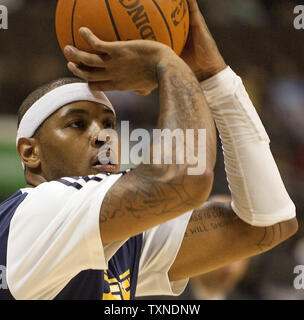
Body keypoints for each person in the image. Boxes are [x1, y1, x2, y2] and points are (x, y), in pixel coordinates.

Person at [0, 0, 298, 300]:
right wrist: (167, 61)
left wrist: (215, 77)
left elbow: (269, 225)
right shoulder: (36, 212)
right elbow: (186, 179)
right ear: (29, 153)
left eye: (108, 125)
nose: (102, 137)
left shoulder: (121, 242)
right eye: (77, 124)